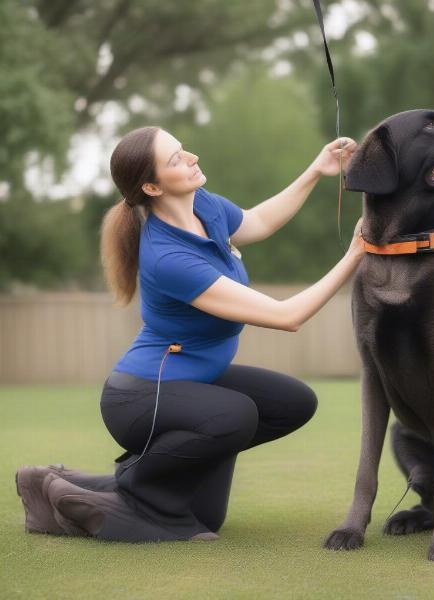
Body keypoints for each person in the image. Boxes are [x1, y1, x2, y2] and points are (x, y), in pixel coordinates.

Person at [15, 126, 365, 542]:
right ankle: (131, 493)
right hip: (140, 397)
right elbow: (288, 316)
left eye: (183, 151)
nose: (192, 157)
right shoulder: (168, 257)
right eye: (176, 159)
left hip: (191, 385)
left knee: (290, 405)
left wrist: (315, 170)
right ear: (151, 185)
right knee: (236, 414)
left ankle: (65, 483)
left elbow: (256, 222)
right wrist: (356, 253)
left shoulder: (204, 206)